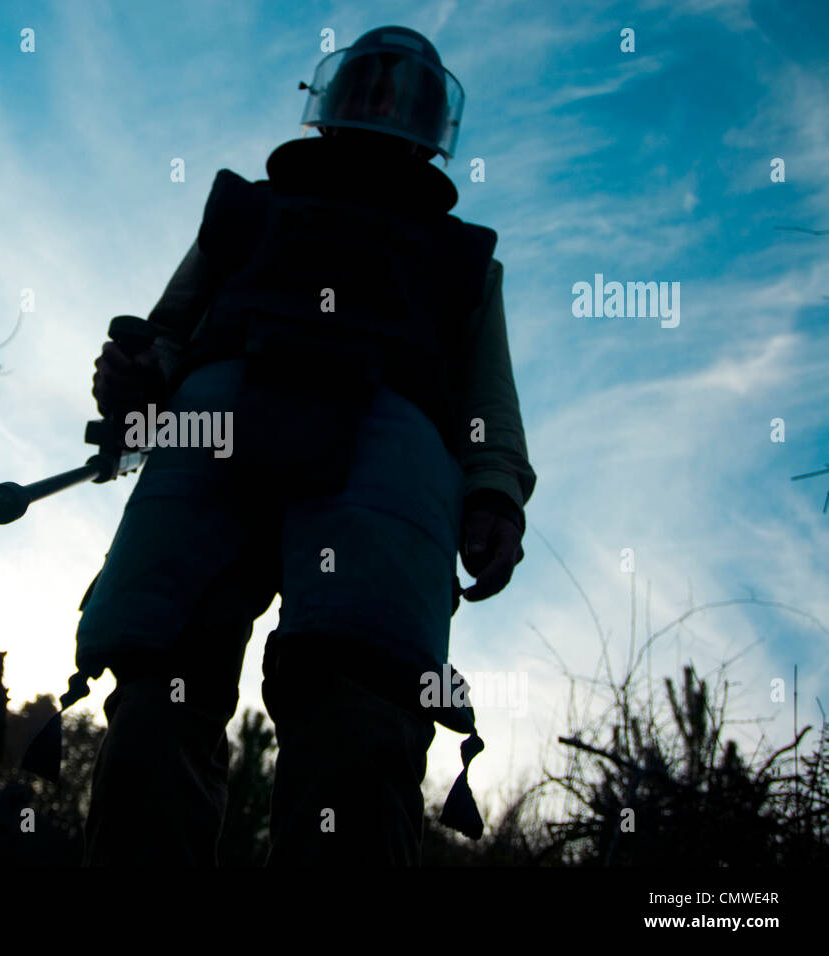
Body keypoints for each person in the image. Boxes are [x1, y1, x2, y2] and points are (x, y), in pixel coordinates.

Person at [64, 26, 536, 865]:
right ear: (334, 97)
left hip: (387, 458)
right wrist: (138, 376)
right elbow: (172, 331)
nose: (382, 99)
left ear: (433, 121)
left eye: (403, 90)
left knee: (361, 716)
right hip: (217, 429)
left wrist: (495, 488)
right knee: (156, 696)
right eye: (369, 81)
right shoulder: (245, 210)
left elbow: (485, 392)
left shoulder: (463, 259)